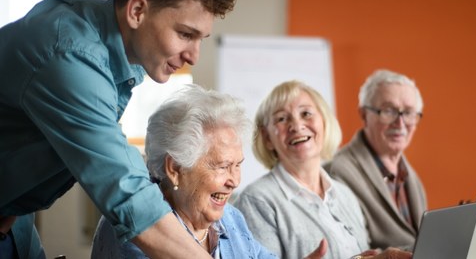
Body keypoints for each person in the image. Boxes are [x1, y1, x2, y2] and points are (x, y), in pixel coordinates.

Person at [0, 0, 236, 257]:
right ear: (137, 11)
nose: (193, 56)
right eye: (185, 34)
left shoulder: (116, 52)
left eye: (200, 39)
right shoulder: (69, 53)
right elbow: (128, 196)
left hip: (17, 224)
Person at [91, 84, 329, 259]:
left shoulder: (231, 219)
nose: (234, 181)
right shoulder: (138, 229)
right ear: (175, 169)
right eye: (223, 167)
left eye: (238, 165)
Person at [324, 69, 476, 251]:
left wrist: (470, 228)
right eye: (388, 111)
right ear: (364, 115)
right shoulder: (339, 172)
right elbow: (354, 250)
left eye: (408, 113)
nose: (400, 123)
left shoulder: (406, 172)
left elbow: (415, 238)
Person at [233, 80, 412, 259]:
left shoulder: (345, 195)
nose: (296, 125)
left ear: (325, 123)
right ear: (267, 138)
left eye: (306, 113)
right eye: (281, 118)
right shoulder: (256, 202)